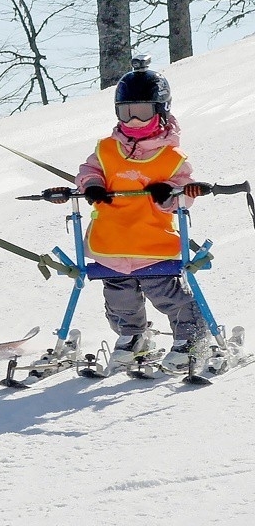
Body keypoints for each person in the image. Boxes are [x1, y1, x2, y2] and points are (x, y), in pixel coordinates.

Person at [74, 56, 207, 371]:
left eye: (142, 112)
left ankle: (191, 338)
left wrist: (169, 193)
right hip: (112, 244)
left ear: (161, 111)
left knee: (168, 296)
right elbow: (88, 171)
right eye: (126, 112)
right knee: (120, 301)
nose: (133, 121)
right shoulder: (107, 149)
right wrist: (92, 185)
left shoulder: (171, 158)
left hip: (151, 245)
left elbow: (184, 193)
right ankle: (133, 338)